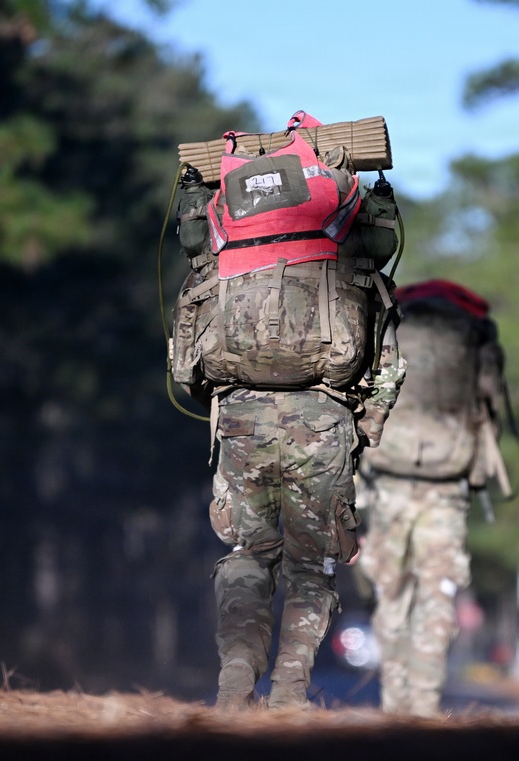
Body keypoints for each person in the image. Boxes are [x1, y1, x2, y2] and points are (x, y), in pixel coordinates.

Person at [169, 111, 406, 710]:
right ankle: (291, 692)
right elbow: (386, 342)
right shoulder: (340, 220)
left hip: (240, 415)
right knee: (313, 563)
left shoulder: (232, 216)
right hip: (322, 417)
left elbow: (194, 281)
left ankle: (232, 685)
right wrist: (368, 427)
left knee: (248, 555)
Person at [355, 279, 509, 717]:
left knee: (392, 592)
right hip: (447, 481)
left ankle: (394, 701)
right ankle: (425, 704)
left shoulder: (390, 324)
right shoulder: (474, 332)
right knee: (438, 592)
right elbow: (491, 400)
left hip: (387, 477)